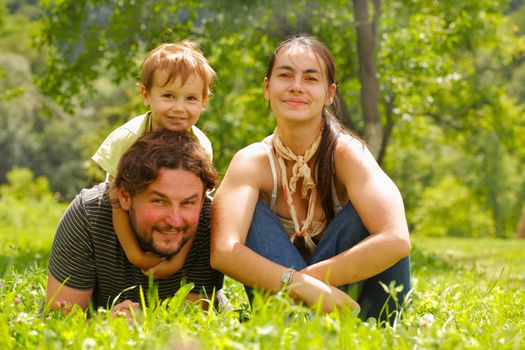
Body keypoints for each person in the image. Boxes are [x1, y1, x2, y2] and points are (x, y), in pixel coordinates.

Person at [210, 34, 411, 322]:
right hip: (284, 308)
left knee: (368, 216)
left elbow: (396, 239)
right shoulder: (252, 161)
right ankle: (300, 324)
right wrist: (298, 285)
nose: (296, 86)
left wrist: (308, 282)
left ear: (330, 94)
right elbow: (224, 252)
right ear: (267, 88)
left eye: (310, 78)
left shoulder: (348, 154)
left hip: (357, 309)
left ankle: (359, 325)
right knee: (249, 209)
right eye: (285, 75)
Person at [46, 130, 223, 314]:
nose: (175, 220)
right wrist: (108, 326)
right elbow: (58, 319)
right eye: (159, 201)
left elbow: (192, 324)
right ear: (124, 196)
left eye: (188, 203)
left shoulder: (209, 222)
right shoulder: (88, 215)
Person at [92, 41, 216, 279]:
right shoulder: (127, 139)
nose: (179, 108)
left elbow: (199, 207)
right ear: (146, 95)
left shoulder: (201, 146)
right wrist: (134, 254)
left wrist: (177, 260)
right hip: (127, 220)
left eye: (190, 98)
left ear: (203, 100)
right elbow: (116, 202)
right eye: (168, 96)